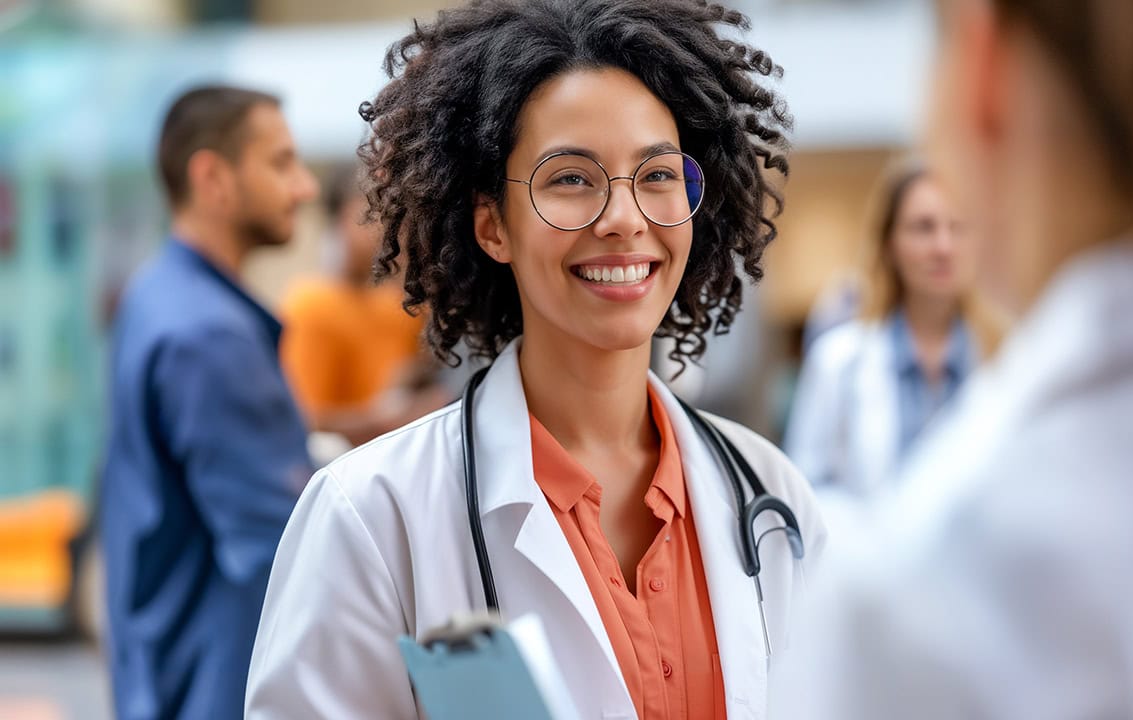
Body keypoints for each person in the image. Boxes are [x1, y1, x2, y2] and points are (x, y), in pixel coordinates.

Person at [245, 1, 827, 718]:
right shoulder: (371, 516)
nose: (624, 218)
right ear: (492, 225)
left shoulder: (772, 499)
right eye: (572, 179)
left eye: (657, 175)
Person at [776, 0, 1133, 717]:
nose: (941, 246)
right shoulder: (849, 359)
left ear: (983, 67)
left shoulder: (921, 598)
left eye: (946, 228)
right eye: (922, 229)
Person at [101, 85, 318, 720]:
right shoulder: (210, 336)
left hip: (160, 663)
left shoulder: (156, 293)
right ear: (212, 178)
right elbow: (283, 556)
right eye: (280, 163)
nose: (303, 188)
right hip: (214, 686)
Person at [784, 158, 1001, 496]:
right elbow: (807, 494)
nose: (943, 246)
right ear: (889, 245)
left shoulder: (1003, 363)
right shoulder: (838, 362)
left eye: (958, 227)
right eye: (923, 227)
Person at [279, 164, 447, 448]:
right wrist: (390, 420)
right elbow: (304, 420)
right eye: (372, 212)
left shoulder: (399, 304)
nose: (387, 226)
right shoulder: (311, 305)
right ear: (342, 218)